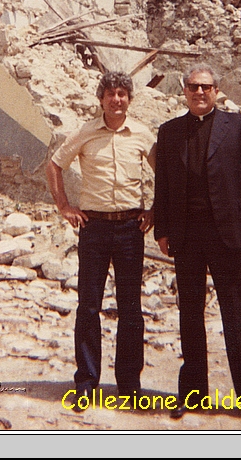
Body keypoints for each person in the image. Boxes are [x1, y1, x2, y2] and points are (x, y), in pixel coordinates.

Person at [153, 64, 241, 422]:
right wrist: (162, 229)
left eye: (205, 87)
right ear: (184, 91)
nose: (199, 92)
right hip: (187, 236)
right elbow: (164, 186)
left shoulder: (237, 127)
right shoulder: (169, 132)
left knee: (236, 314)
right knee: (190, 314)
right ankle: (192, 393)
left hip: (228, 233)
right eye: (192, 87)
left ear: (217, 91)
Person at [46, 71, 156, 404]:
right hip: (93, 229)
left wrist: (155, 210)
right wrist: (65, 206)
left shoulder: (142, 134)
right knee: (88, 306)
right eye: (111, 94)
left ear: (130, 99)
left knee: (131, 309)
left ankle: (129, 384)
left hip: (130, 229)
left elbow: (165, 171)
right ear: (101, 99)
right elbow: (54, 165)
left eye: (122, 94)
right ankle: (86, 382)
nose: (117, 99)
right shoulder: (85, 132)